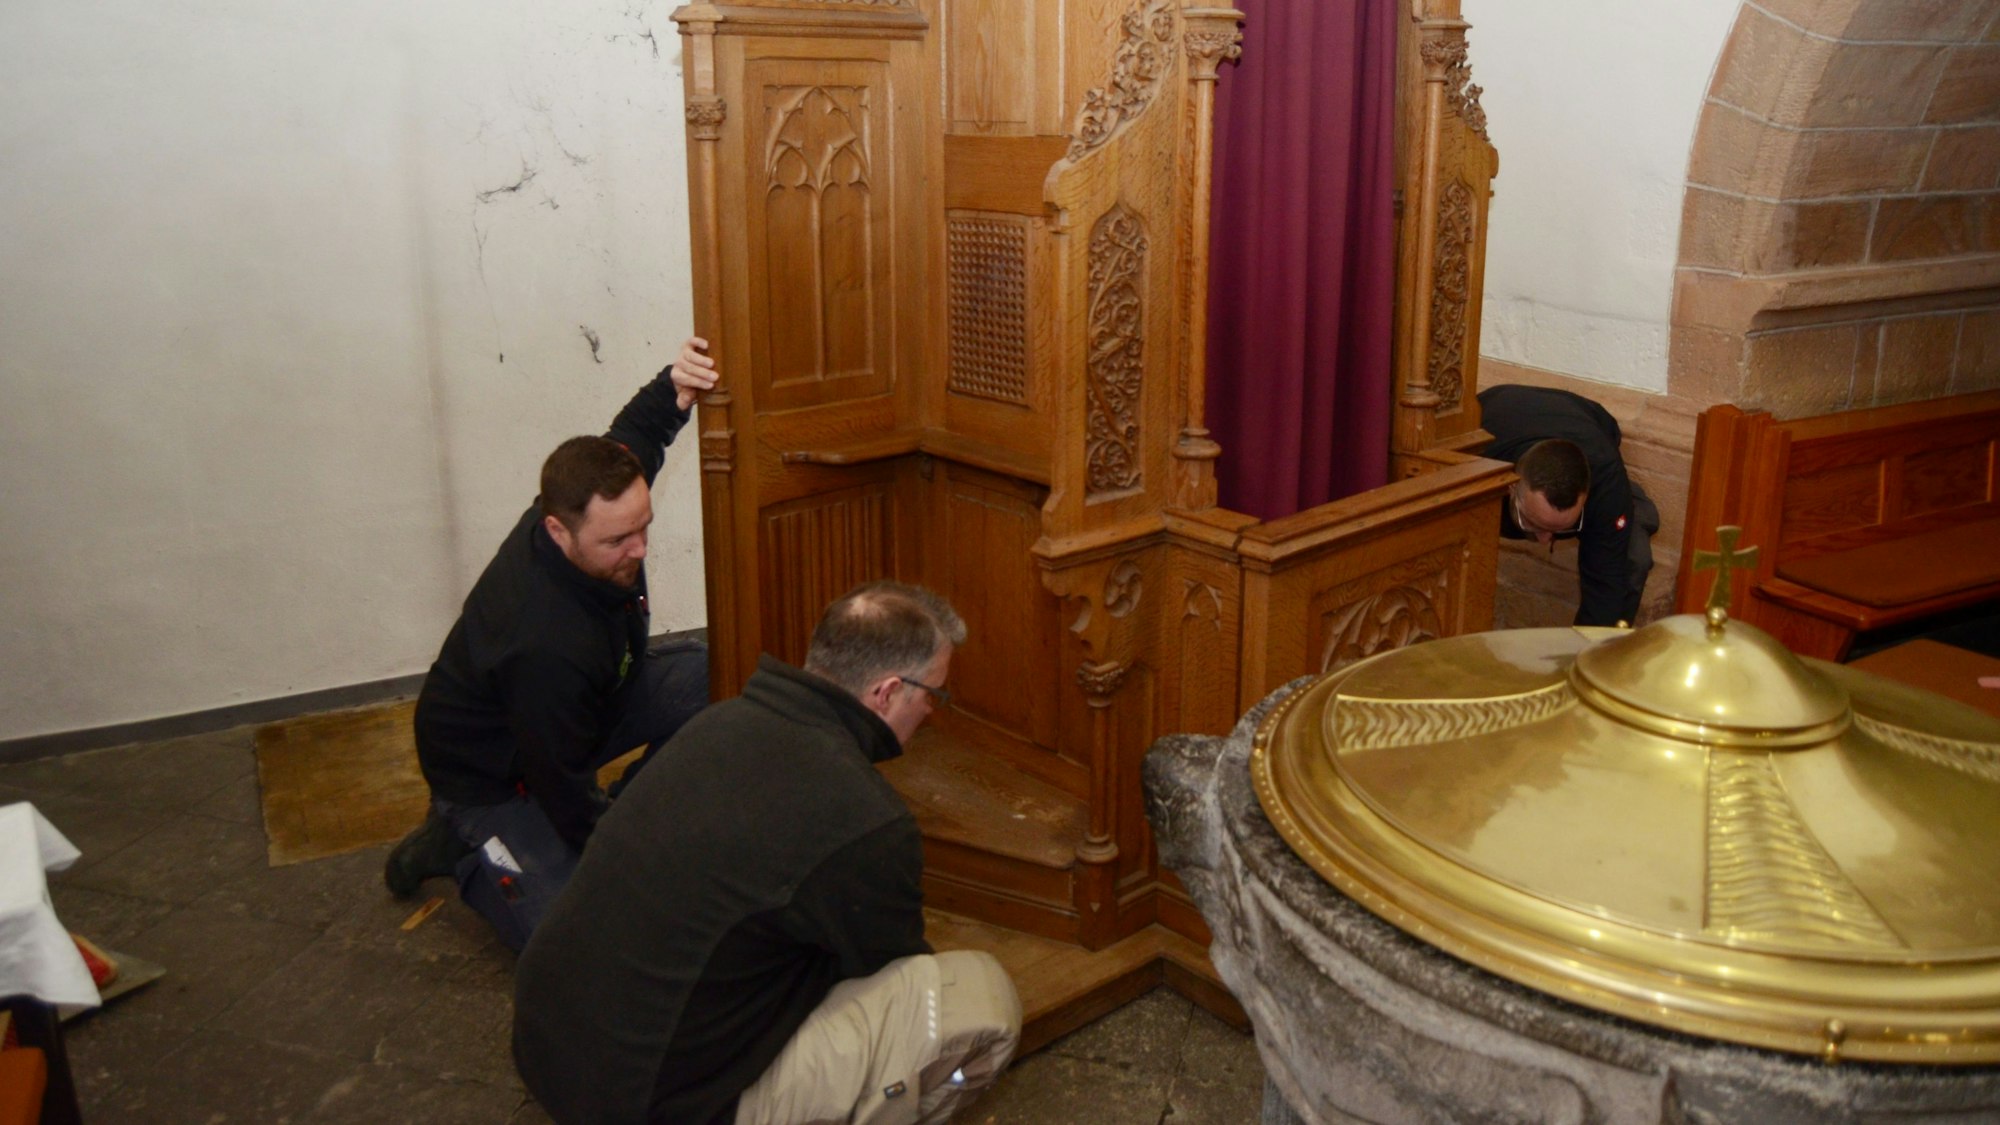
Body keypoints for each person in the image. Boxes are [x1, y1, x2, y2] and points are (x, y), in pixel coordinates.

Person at [512, 581, 1022, 1125]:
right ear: (887, 692)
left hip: (548, 1052)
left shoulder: (718, 722)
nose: (932, 711)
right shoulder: (866, 819)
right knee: (974, 999)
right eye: (933, 695)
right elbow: (890, 972)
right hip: (647, 1106)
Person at [382, 336, 724, 950]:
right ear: (557, 531)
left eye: (643, 527)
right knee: (573, 940)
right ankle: (463, 847)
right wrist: (616, 858)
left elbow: (631, 436)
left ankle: (625, 816)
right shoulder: (542, 640)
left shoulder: (589, 495)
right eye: (618, 541)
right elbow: (559, 779)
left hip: (579, 711)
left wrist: (673, 387)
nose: (640, 550)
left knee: (719, 680)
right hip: (491, 775)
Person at [1478, 383, 1660, 628]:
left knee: (1633, 556)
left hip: (1589, 425)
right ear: (1512, 488)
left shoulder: (1603, 480)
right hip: (1498, 417)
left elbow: (1605, 589)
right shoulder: (1477, 458)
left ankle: (1629, 505)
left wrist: (1585, 657)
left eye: (1560, 529)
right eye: (1532, 522)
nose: (1544, 540)